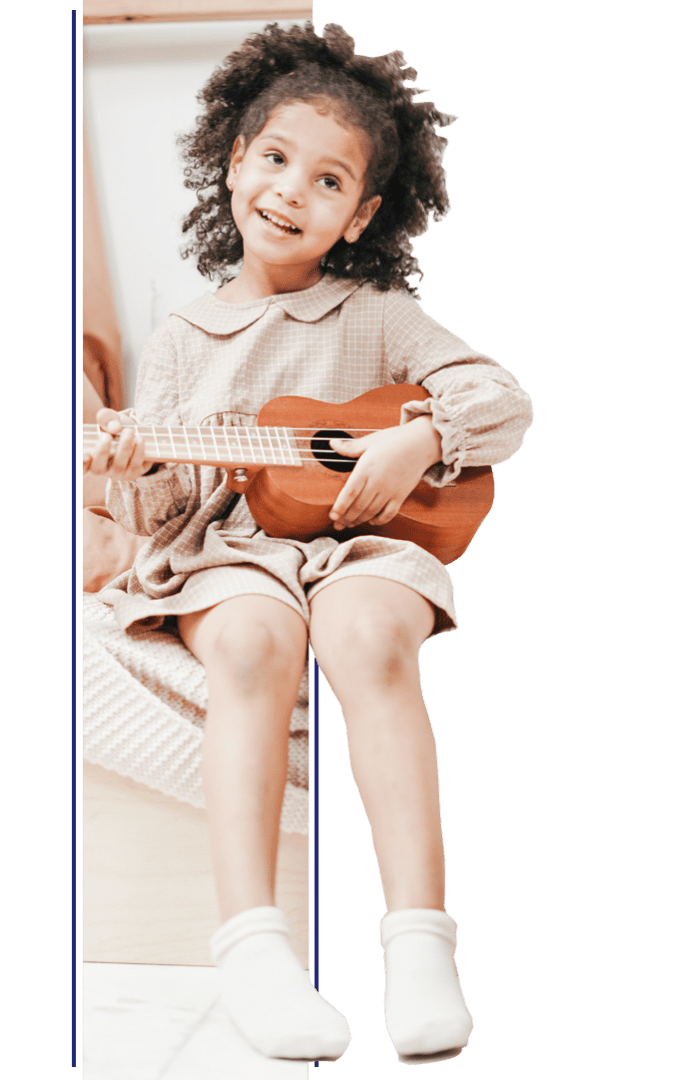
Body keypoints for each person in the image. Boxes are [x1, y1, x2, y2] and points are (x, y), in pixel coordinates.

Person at [83, 22, 533, 1065]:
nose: (291, 190)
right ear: (235, 162)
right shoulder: (185, 337)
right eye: (275, 159)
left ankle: (419, 942)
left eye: (327, 179)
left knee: (371, 636)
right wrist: (138, 473)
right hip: (234, 550)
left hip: (357, 544)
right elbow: (167, 512)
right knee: (248, 643)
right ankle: (252, 949)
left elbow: (499, 397)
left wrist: (422, 434)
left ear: (362, 212)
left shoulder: (378, 316)